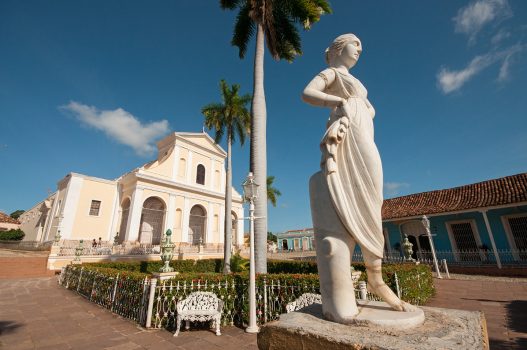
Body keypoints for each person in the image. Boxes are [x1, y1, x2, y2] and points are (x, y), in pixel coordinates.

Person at [302, 34, 416, 324]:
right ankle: (374, 280)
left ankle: (376, 277)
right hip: (350, 136)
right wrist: (340, 101)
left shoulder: (356, 82)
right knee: (359, 202)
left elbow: (368, 108)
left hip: (365, 137)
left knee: (372, 200)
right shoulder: (332, 73)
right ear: (339, 49)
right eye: (356, 44)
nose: (360, 50)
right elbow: (308, 93)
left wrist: (362, 106)